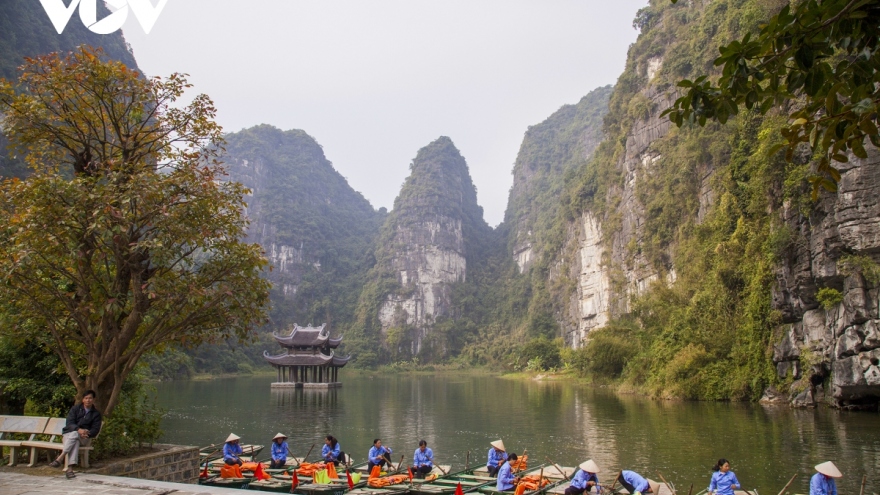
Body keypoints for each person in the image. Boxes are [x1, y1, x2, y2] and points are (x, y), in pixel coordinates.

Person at [49, 390, 102, 479]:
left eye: (90, 398)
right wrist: (78, 430)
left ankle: (60, 458)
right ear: (83, 400)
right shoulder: (75, 409)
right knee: (74, 437)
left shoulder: (96, 414)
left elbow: (95, 429)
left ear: (93, 400)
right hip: (69, 435)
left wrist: (86, 433)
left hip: (84, 438)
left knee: (75, 436)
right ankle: (70, 469)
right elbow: (69, 423)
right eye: (86, 398)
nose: (88, 400)